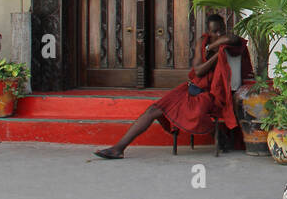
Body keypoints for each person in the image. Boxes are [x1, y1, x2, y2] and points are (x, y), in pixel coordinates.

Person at [94, 15, 252, 159]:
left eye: (220, 31)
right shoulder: (203, 42)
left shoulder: (230, 44)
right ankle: (118, 148)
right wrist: (212, 51)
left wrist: (216, 50)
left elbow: (231, 39)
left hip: (209, 96)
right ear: (208, 32)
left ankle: (219, 135)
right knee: (153, 110)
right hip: (190, 89)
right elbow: (198, 70)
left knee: (196, 114)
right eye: (214, 32)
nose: (218, 35)